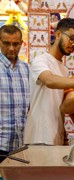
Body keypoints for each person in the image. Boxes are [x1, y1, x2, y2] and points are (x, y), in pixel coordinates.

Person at [24, 18, 74, 146]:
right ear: (58, 34)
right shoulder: (41, 61)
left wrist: (63, 133)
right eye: (71, 38)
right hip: (39, 135)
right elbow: (49, 80)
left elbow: (59, 106)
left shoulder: (63, 69)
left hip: (55, 137)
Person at [0, 25, 29, 162]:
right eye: (6, 43)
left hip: (21, 146)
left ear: (22, 44)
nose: (11, 48)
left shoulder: (27, 70)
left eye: (15, 44)